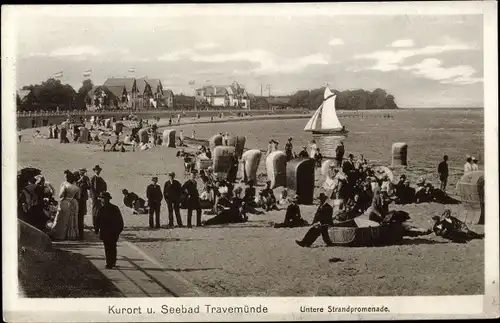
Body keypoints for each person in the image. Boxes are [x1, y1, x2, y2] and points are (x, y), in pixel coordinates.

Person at [46, 170, 80, 241]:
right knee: (72, 219)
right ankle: (70, 235)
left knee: (60, 218)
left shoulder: (64, 184)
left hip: (65, 202)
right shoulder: (76, 186)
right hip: (73, 202)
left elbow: (61, 195)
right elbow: (78, 197)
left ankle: (58, 234)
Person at [95, 192, 124, 269]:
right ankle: (113, 262)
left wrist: (97, 230)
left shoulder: (101, 209)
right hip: (114, 231)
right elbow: (120, 221)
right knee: (113, 247)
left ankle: (109, 263)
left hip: (105, 232)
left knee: (107, 248)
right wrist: (119, 230)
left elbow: (97, 221)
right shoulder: (115, 208)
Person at [90, 165, 107, 230]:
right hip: (95, 197)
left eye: (99, 170)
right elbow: (91, 189)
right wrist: (96, 196)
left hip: (100, 197)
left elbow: (105, 186)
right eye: (97, 170)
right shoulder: (93, 178)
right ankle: (95, 224)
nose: (98, 171)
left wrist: (102, 194)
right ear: (94, 171)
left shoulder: (101, 178)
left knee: (100, 210)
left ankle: (99, 224)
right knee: (95, 210)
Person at [75, 168, 91, 240]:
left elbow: (89, 186)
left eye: (83, 171)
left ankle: (81, 234)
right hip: (76, 198)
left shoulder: (86, 178)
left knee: (81, 216)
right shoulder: (76, 177)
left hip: (82, 199)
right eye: (80, 171)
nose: (81, 172)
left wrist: (85, 181)